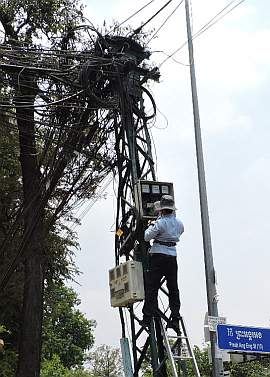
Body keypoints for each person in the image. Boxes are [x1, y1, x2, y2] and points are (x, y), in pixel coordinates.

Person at [142, 195, 184, 329]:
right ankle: (175, 317)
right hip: (172, 257)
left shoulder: (159, 223)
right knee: (173, 288)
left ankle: (148, 318)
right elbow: (179, 232)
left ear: (161, 210)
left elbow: (146, 237)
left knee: (152, 288)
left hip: (158, 256)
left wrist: (152, 224)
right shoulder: (179, 224)